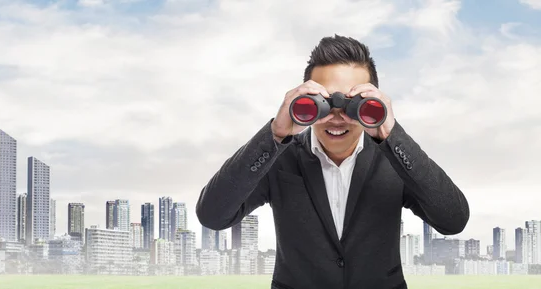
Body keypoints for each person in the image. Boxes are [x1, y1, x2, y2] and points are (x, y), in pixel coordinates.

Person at [195, 35, 470, 289]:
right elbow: (212, 215)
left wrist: (391, 134)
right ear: (305, 100)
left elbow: (453, 220)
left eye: (354, 102)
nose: (337, 117)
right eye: (323, 102)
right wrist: (276, 134)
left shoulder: (394, 159)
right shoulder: (279, 156)